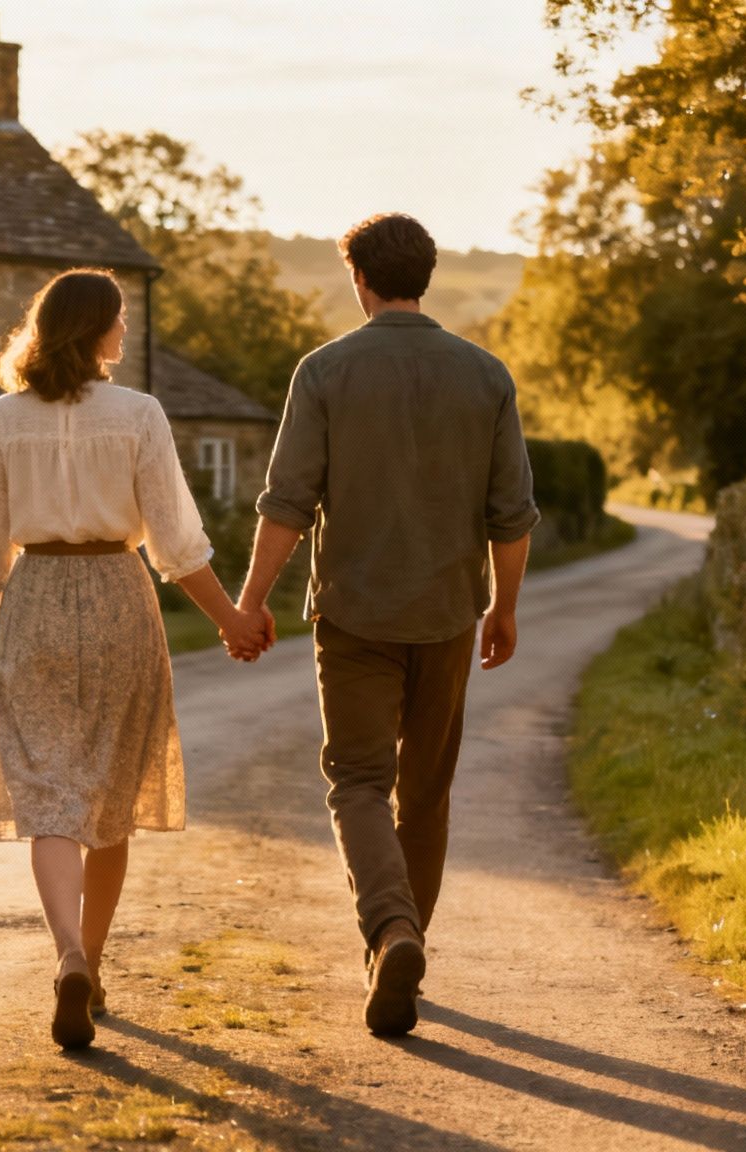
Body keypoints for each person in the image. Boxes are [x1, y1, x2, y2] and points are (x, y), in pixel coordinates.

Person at [235, 213, 539, 1038]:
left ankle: (390, 933)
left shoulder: (325, 371)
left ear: (360, 280)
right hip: (447, 615)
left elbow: (288, 502)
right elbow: (512, 514)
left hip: (354, 615)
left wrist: (251, 600)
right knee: (425, 794)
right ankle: (405, 949)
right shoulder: (486, 376)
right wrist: (504, 608)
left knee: (359, 782)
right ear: (426, 276)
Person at [0, 267, 272, 1050]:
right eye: (119, 320)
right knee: (111, 793)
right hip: (118, 600)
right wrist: (232, 617)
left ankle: (65, 950)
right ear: (93, 328)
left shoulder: (1, 417)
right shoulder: (139, 414)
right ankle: (90, 963)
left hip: (33, 602)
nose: (125, 333)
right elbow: (173, 540)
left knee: (49, 793)